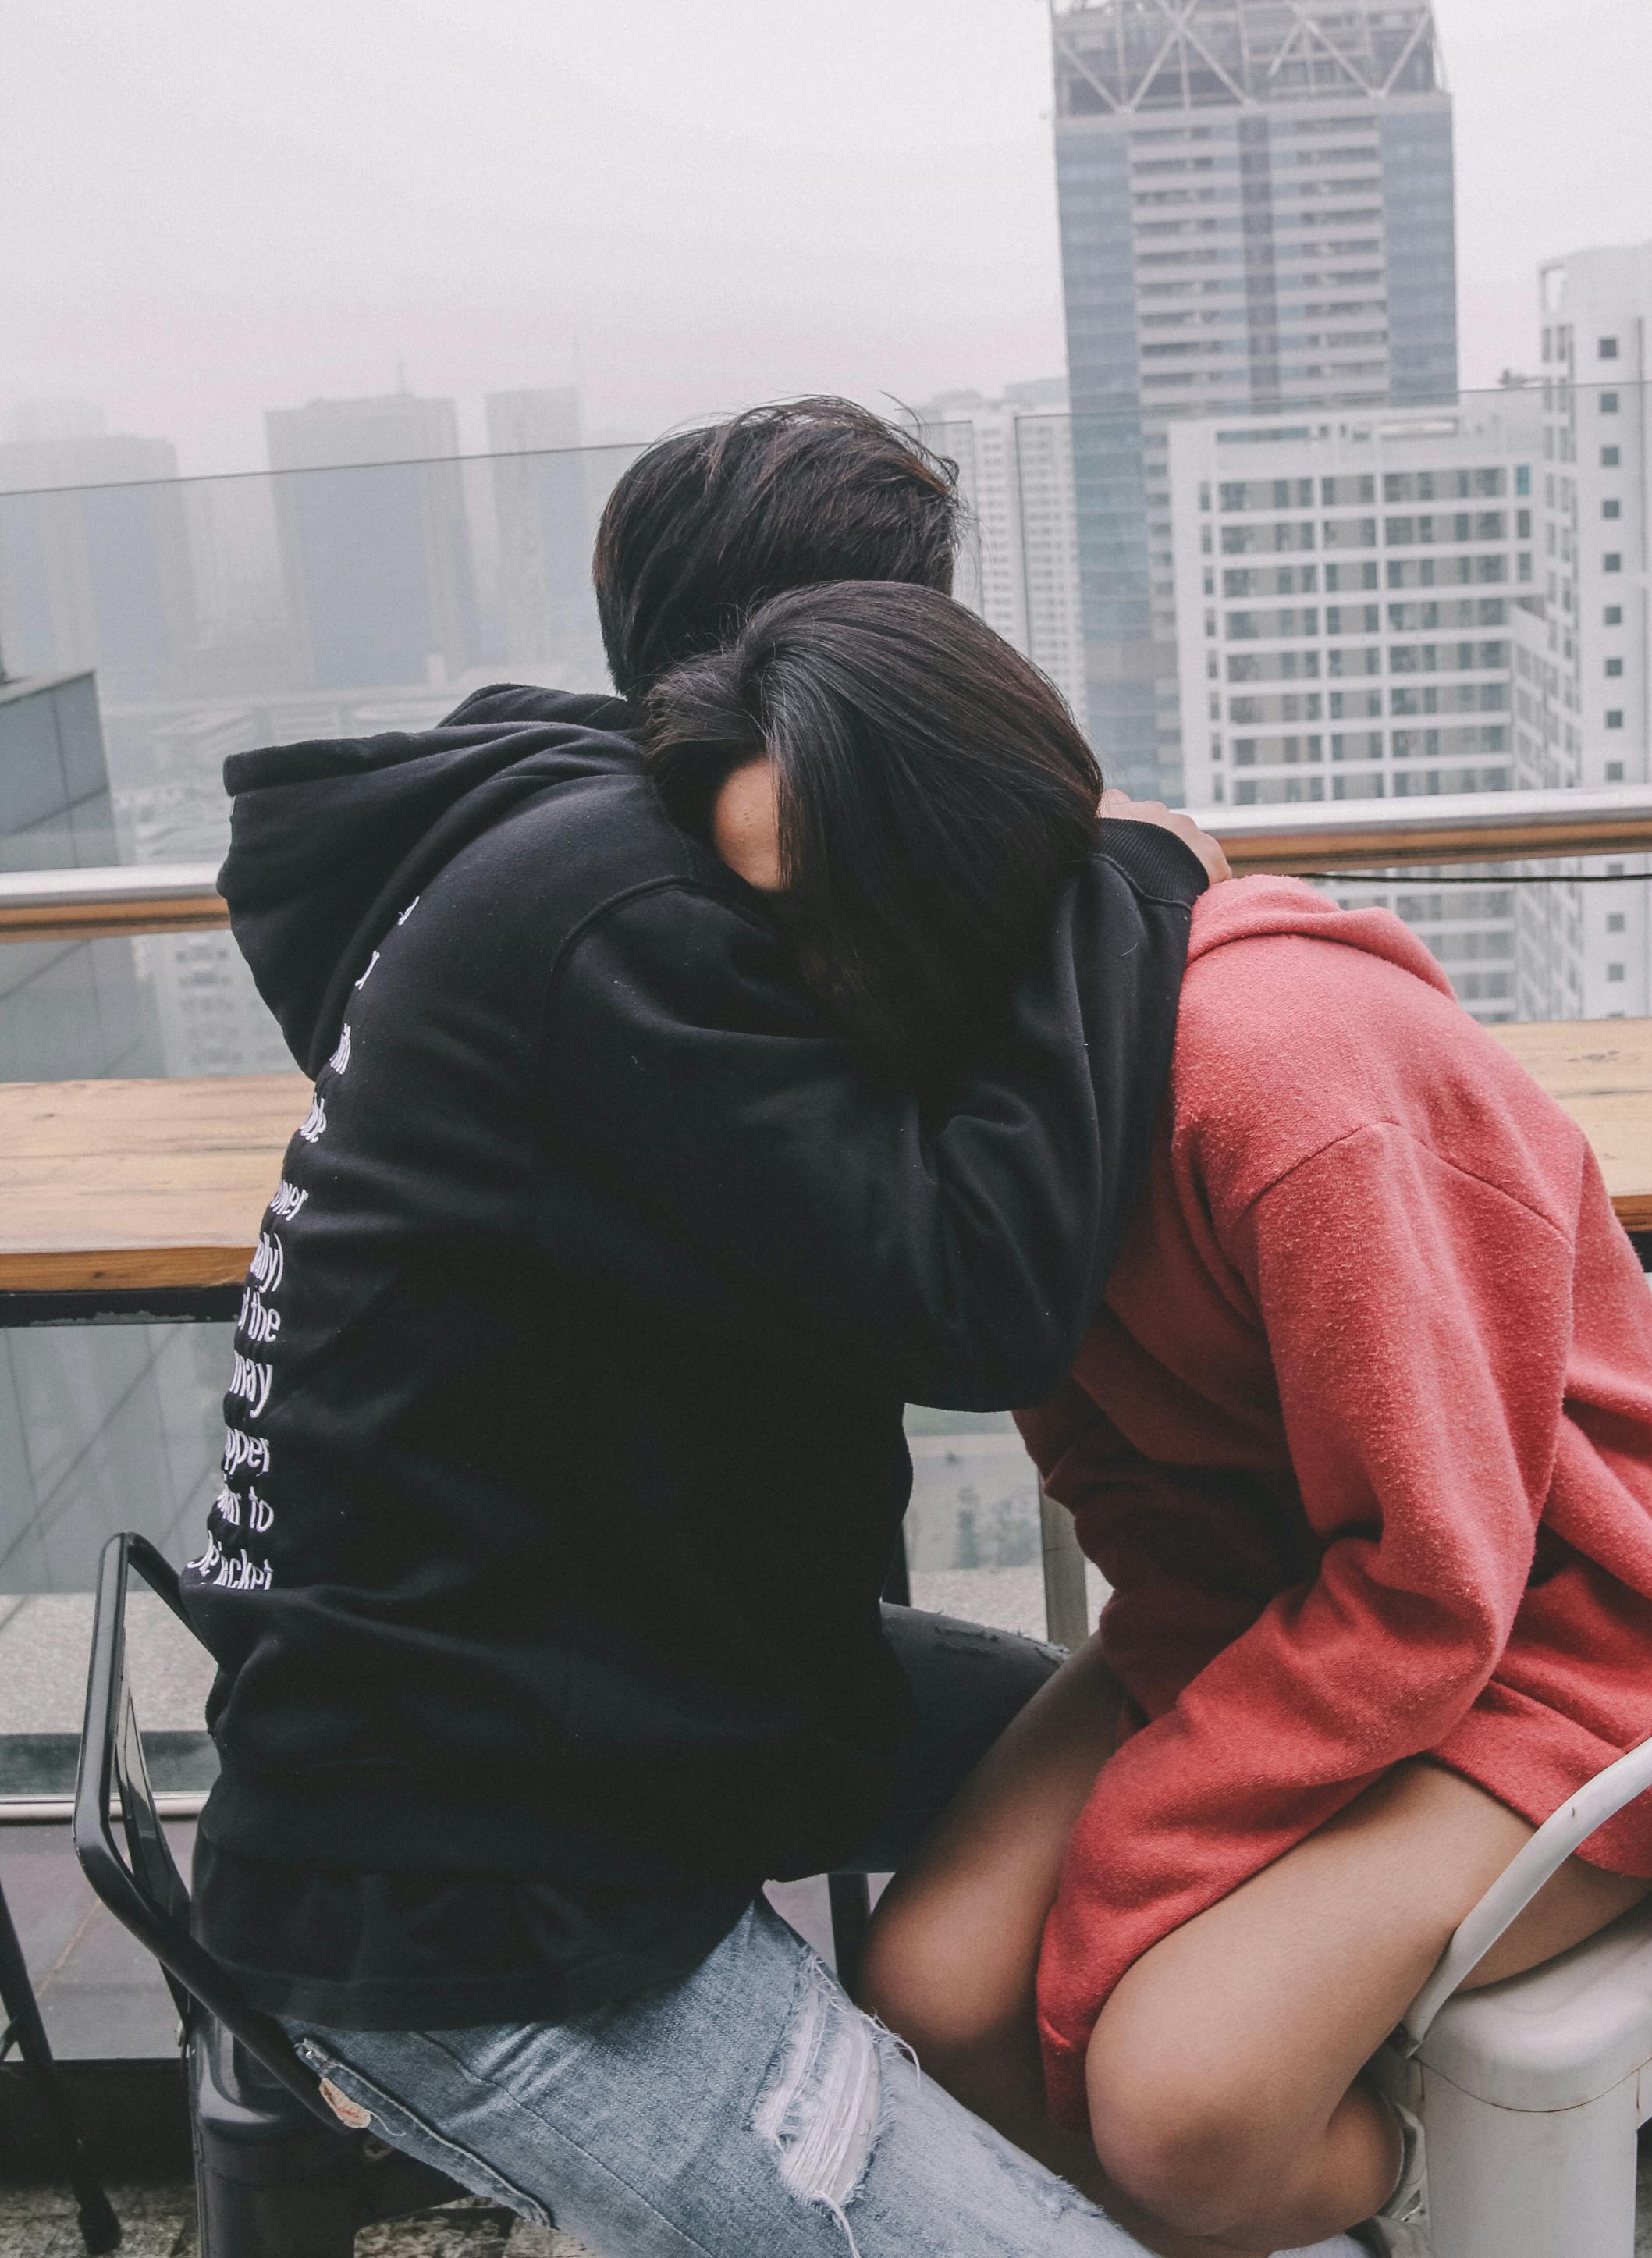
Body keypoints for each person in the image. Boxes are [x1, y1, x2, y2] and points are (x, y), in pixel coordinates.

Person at [186, 400, 1224, 2258]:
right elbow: (975, 1287)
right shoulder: (620, 916)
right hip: (476, 1894)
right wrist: (1122, 875)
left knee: (1196, 1744)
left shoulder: (543, 845)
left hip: (586, 1694)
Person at [648, 578, 1652, 2258]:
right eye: (769, 927)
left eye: (832, 916)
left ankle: (1375, 2194)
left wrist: (1136, 1877)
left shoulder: (1276, 1081)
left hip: (1583, 1644)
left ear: (959, 858)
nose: (803, 976)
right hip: (1296, 1612)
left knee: (1179, 2097)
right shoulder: (984, 1118)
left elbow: (1440, 1576)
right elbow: (1140, 1510)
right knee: (935, 1995)